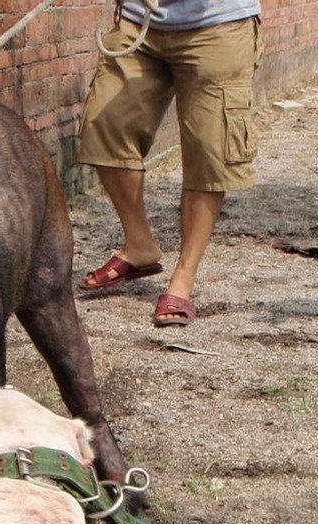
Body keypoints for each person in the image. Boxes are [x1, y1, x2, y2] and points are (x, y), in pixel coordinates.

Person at [77, 0, 262, 327]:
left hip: (218, 26)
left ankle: (183, 278)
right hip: (140, 21)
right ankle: (139, 245)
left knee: (209, 153)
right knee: (104, 127)